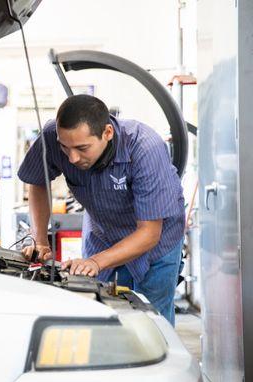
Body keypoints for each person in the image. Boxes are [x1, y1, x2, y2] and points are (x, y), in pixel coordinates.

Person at [18, 94, 185, 325]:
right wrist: (40, 241)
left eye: (82, 148)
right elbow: (37, 182)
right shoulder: (52, 136)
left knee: (151, 321)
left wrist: (96, 262)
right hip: (102, 236)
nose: (73, 157)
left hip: (156, 244)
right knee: (99, 313)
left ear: (107, 133)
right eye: (65, 148)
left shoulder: (144, 147)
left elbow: (149, 233)